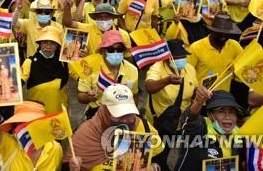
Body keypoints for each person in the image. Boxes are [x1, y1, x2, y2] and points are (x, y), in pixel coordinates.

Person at [66, 84, 163, 170]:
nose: (125, 120)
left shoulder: (143, 127)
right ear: (104, 112)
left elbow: (159, 159)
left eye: (129, 113)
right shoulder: (85, 135)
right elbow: (66, 166)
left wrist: (154, 167)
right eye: (118, 115)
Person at [145, 39, 198, 170]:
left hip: (180, 122)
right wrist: (166, 80)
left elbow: (194, 89)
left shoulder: (189, 69)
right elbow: (149, 86)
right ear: (167, 57)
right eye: (177, 57)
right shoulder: (157, 67)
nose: (181, 59)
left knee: (173, 150)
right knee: (158, 153)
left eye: (183, 56)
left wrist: (202, 92)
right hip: (159, 122)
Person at [0, 89, 63, 170]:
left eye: (33, 123)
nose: (28, 129)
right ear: (15, 129)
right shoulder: (10, 145)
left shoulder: (55, 149)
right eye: (21, 124)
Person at [175, 88, 246, 171]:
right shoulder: (200, 128)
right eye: (221, 111)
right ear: (209, 114)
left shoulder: (240, 136)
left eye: (232, 112)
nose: (227, 117)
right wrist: (198, 102)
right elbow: (189, 120)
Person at [78, 30, 138, 119]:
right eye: (110, 49)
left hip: (122, 115)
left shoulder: (132, 70)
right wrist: (89, 97)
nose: (115, 52)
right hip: (97, 115)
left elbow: (134, 95)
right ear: (103, 51)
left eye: (119, 49)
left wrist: (133, 116)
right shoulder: (90, 69)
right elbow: (80, 96)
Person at [21, 26, 76, 113]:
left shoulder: (64, 62)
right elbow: (19, 80)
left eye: (52, 43)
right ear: (40, 44)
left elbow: (80, 75)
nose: (48, 46)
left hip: (59, 115)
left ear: (57, 45)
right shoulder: (30, 62)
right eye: (45, 43)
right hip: (36, 114)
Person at [187, 12, 242, 92]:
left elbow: (244, 67)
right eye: (219, 34)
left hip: (223, 97)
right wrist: (196, 90)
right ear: (211, 31)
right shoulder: (196, 48)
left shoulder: (235, 46)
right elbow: (187, 75)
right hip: (200, 97)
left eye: (226, 34)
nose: (223, 38)